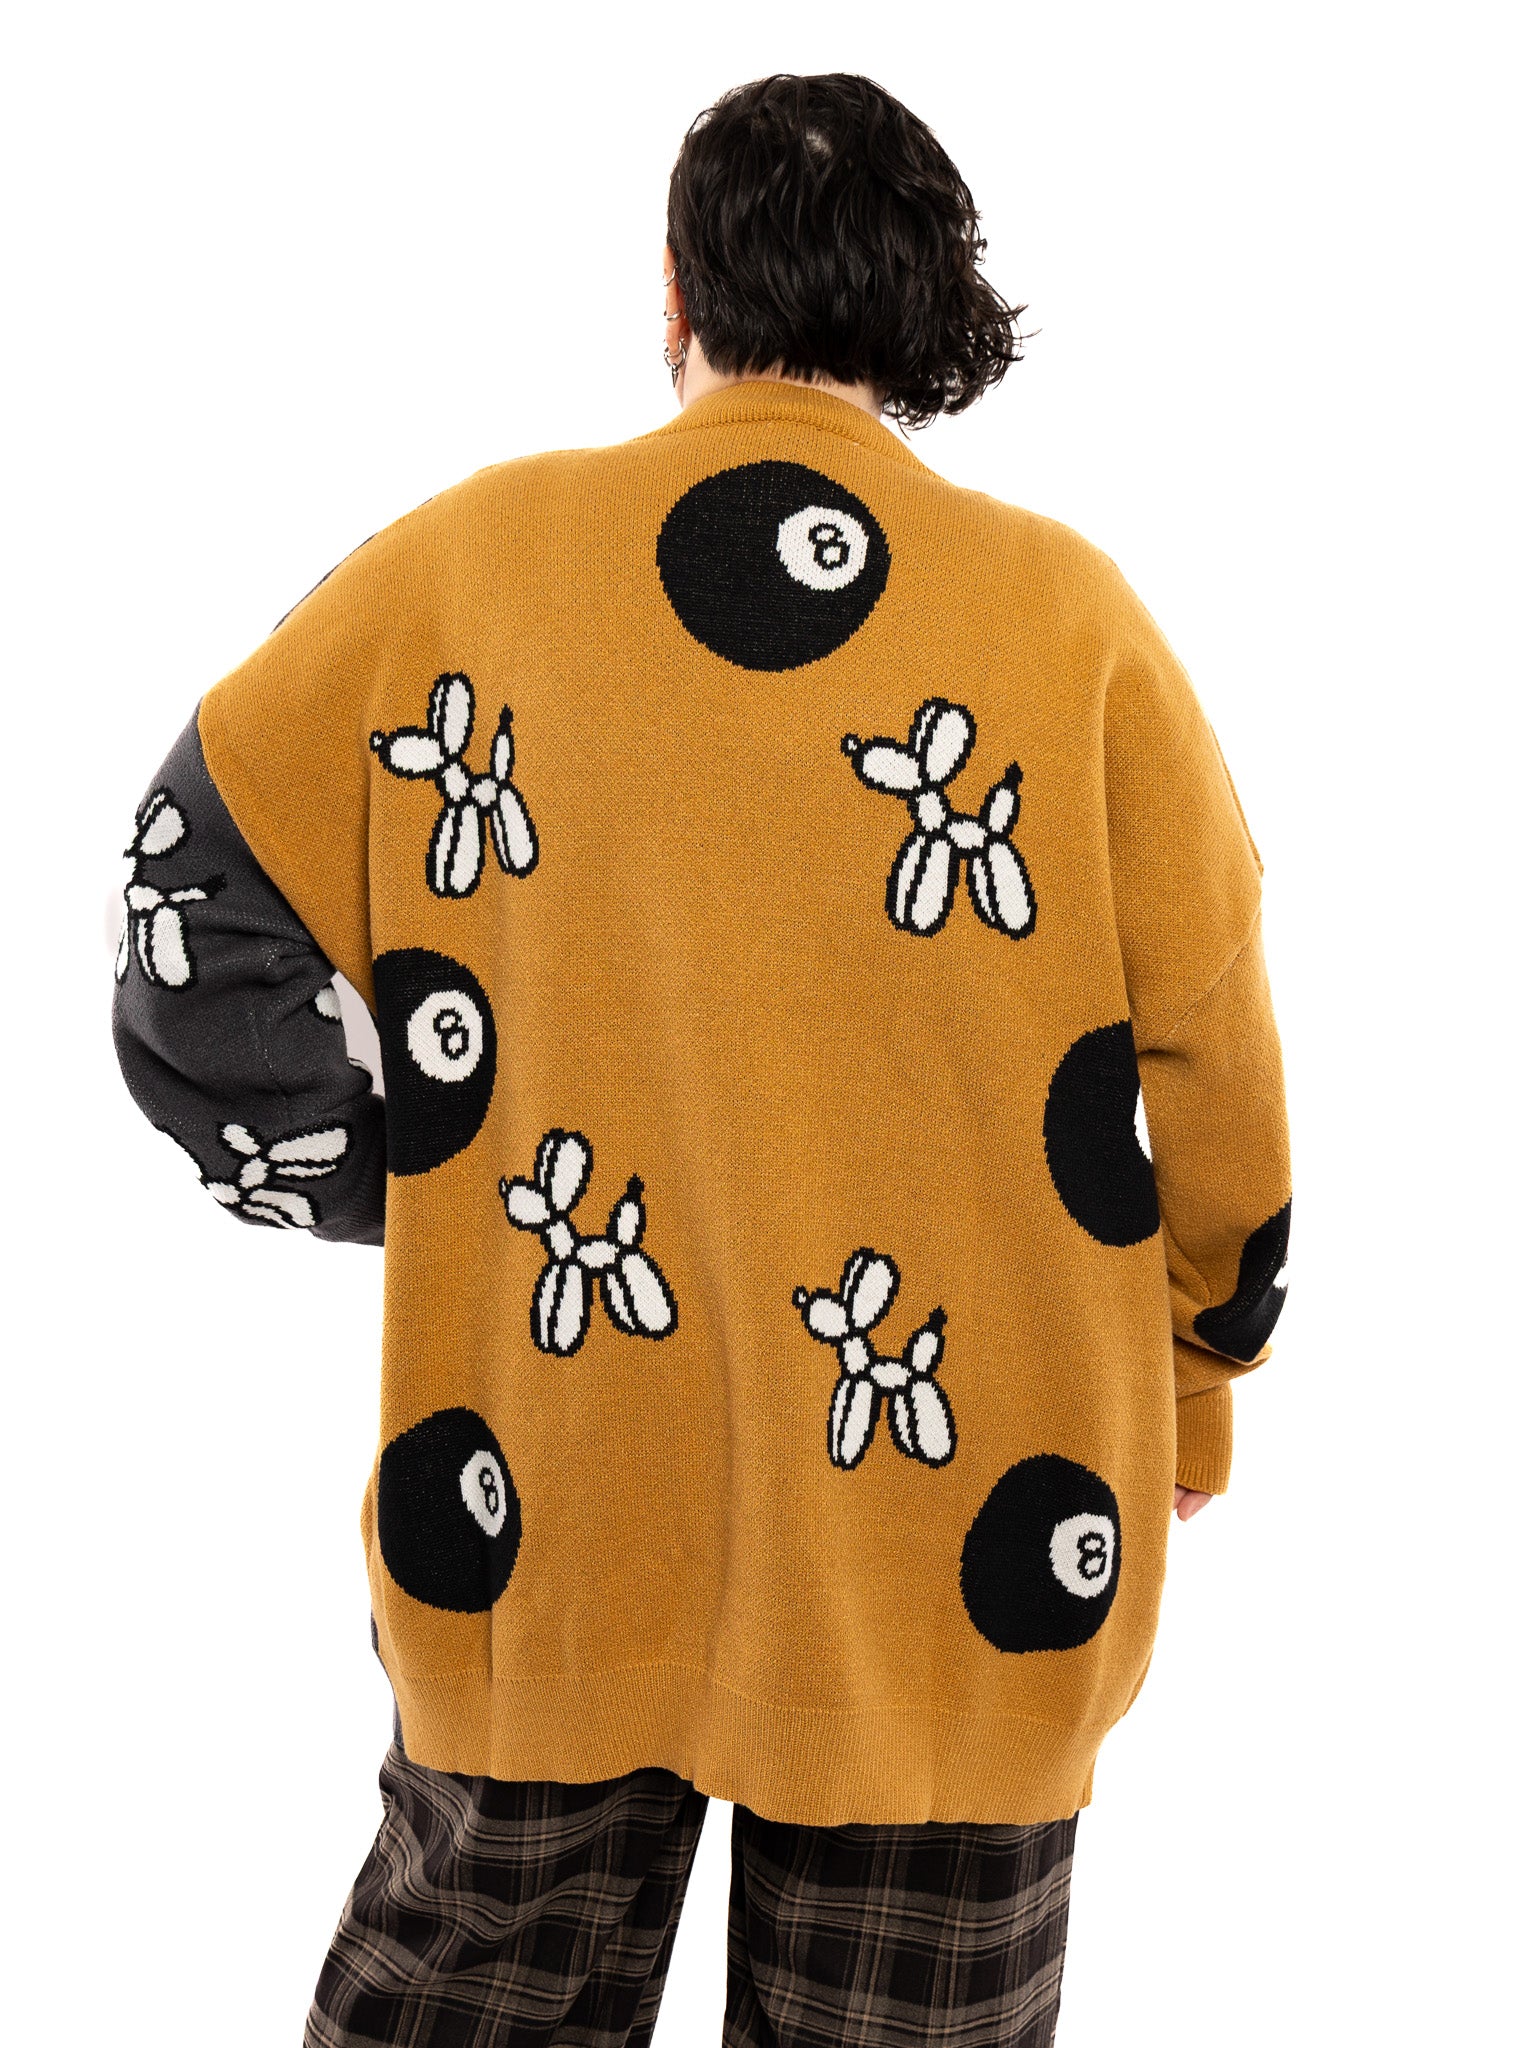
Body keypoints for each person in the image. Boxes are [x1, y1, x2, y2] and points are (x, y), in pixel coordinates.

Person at [112, 70, 1290, 2048]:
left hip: (548, 1500)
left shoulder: (468, 569)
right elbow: (1222, 1061)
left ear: (674, 290)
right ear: (925, 301)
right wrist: (1196, 1377)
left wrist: (406, 1173)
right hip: (961, 1540)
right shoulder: (1076, 625)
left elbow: (183, 909)